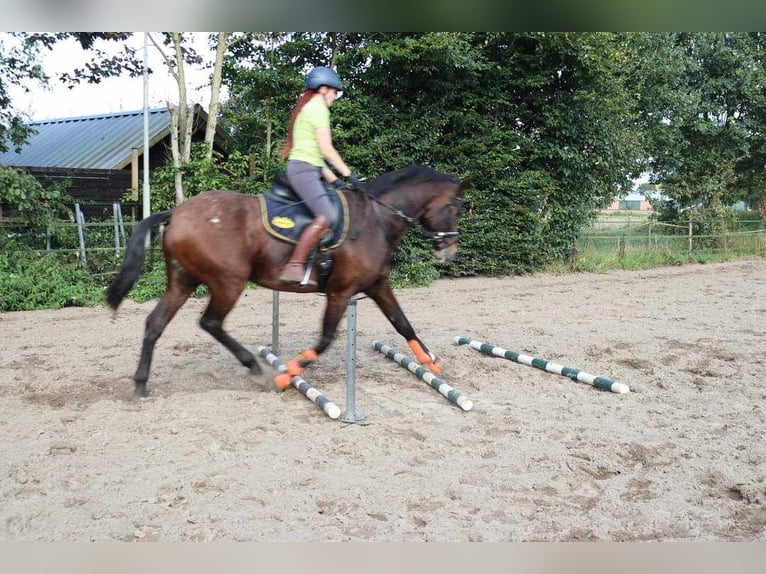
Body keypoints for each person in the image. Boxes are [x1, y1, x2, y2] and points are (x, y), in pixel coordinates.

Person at [278, 66, 362, 286]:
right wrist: (349, 174)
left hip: (309, 168)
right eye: (335, 91)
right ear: (323, 89)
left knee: (331, 209)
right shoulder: (318, 109)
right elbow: (326, 149)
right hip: (303, 170)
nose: (336, 96)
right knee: (325, 215)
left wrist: (335, 180)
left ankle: (321, 260)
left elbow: (316, 155)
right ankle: (294, 265)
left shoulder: (309, 107)